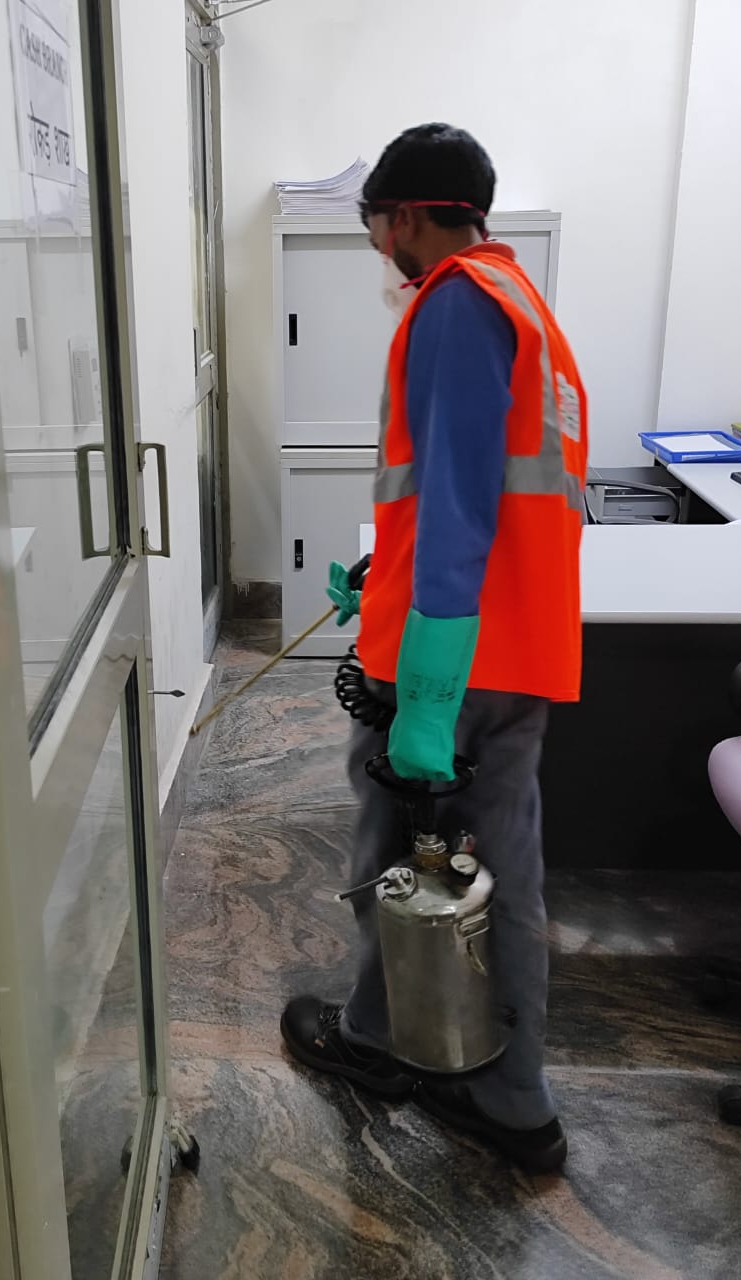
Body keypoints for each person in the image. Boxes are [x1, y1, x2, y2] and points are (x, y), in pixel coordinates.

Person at [280, 123, 587, 1176]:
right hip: (516, 642)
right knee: (499, 866)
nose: (379, 250)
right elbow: (490, 489)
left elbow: (456, 496)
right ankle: (499, 1085)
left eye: (377, 228)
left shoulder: (455, 303)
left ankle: (402, 1054)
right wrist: (390, 572)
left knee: (401, 856)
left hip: (456, 660)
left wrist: (423, 694)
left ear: (406, 215)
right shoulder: (522, 300)